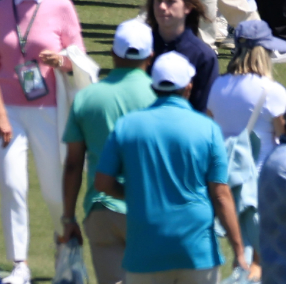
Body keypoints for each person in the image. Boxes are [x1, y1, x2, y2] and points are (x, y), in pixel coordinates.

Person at [93, 52, 244, 284]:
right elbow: (221, 195)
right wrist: (239, 251)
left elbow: (102, 182)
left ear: (154, 87)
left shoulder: (127, 126)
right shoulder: (208, 128)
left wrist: (133, 195)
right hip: (197, 251)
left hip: (145, 253)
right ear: (188, 88)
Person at [0, 0, 78, 284]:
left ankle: (63, 247)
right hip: (7, 110)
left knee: (55, 190)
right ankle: (19, 263)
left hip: (50, 110)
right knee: (11, 184)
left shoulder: (61, 7)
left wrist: (63, 60)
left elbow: (81, 59)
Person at [58, 19, 158, 284]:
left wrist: (68, 218)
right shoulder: (161, 99)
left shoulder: (87, 98)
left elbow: (73, 165)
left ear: (113, 54)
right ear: (151, 56)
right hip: (150, 212)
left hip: (102, 210)